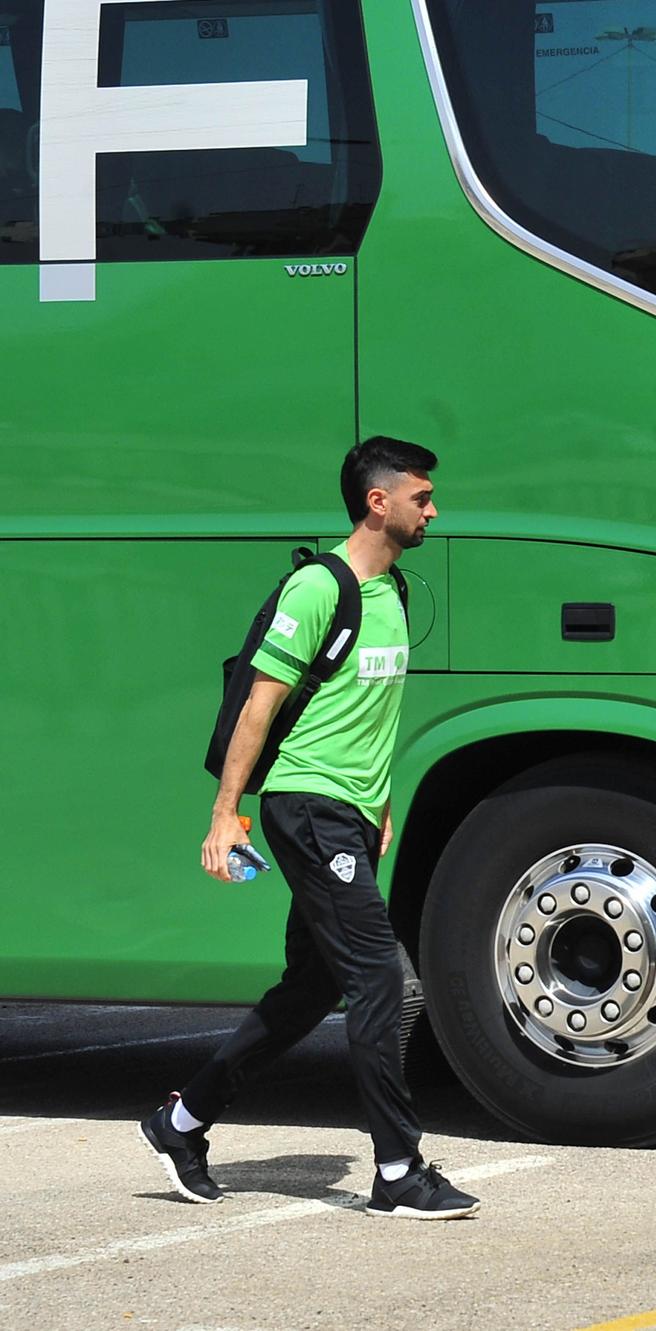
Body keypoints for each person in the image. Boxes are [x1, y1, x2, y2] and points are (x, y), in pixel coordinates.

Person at [138, 437, 480, 1220]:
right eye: (422, 497)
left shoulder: (392, 591)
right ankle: (398, 1168)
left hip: (351, 813)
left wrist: (382, 800)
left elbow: (369, 710)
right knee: (383, 981)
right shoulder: (315, 588)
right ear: (377, 502)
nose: (434, 510)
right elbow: (260, 706)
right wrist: (226, 812)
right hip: (308, 805)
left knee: (312, 987)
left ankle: (181, 1121)